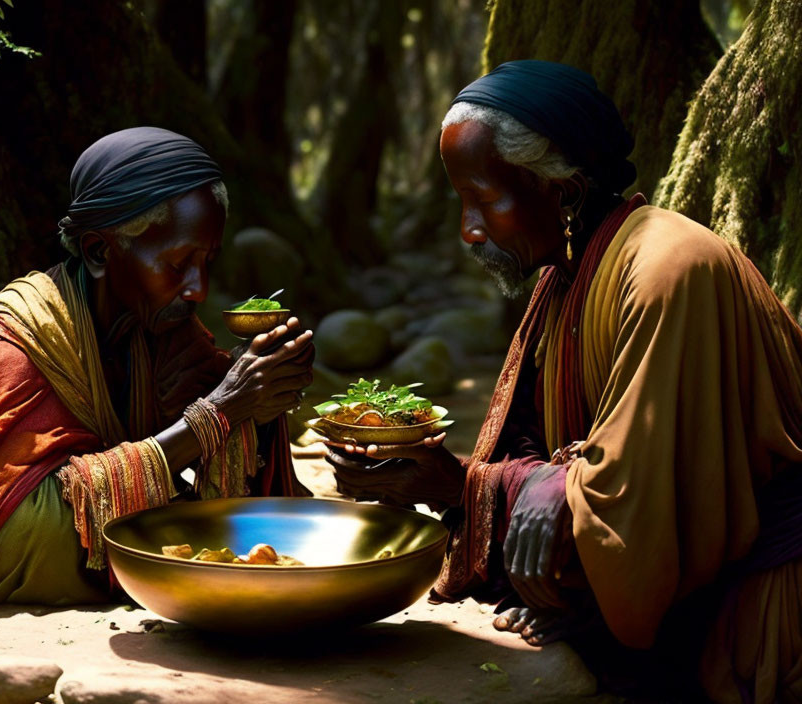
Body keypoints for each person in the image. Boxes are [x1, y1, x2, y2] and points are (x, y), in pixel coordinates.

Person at [328, 60, 802, 703]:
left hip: (760, 615)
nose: (468, 230)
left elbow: (639, 508)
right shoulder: (565, 278)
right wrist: (442, 479)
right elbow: (533, 451)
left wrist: (551, 489)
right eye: (460, 202)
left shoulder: (667, 269)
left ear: (566, 193)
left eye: (484, 199)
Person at [0, 127, 314, 605]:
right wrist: (218, 414)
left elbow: (223, 422)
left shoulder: (160, 325)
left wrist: (264, 396)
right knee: (53, 533)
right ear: (100, 252)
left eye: (207, 261)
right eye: (178, 263)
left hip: (90, 512)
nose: (198, 289)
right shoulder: (16, 352)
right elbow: (15, 518)